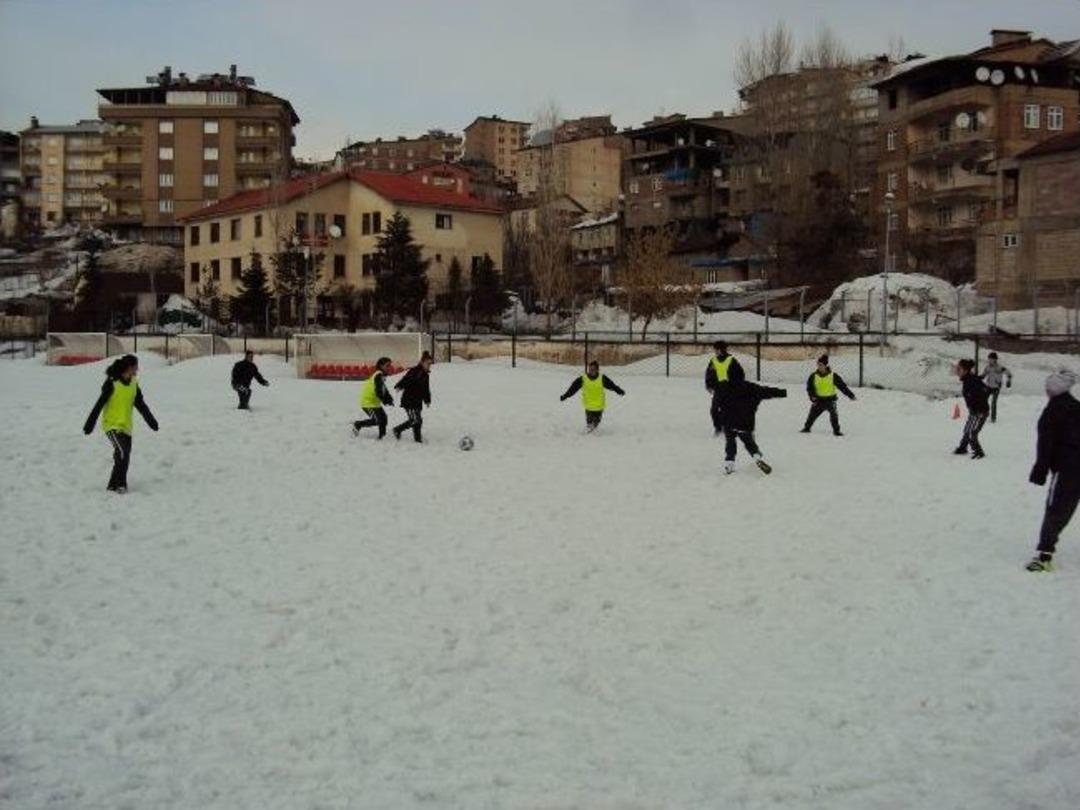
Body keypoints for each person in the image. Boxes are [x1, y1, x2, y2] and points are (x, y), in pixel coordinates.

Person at [1026, 370, 1080, 572]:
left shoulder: (1051, 412)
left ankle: (1044, 556)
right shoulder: (1077, 407)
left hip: (1068, 470)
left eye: (1047, 387)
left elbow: (1045, 445)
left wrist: (1040, 471)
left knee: (1056, 510)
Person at [82, 354, 159, 493]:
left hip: (126, 426)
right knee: (123, 452)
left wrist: (151, 421)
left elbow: (140, 404)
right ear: (129, 367)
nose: (137, 369)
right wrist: (90, 424)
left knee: (123, 455)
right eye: (136, 367)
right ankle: (121, 484)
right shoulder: (112, 383)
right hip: (111, 425)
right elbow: (99, 404)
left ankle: (112, 485)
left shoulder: (134, 383)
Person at [718, 363, 787, 474]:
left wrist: (718, 420)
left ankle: (729, 464)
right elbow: (767, 391)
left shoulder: (723, 387)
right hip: (745, 424)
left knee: (730, 442)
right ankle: (757, 458)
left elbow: (715, 405)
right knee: (749, 442)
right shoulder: (751, 387)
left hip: (728, 423)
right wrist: (783, 393)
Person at [560, 360, 625, 432]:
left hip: (599, 407)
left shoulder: (602, 378)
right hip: (589, 407)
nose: (591, 371)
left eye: (593, 370)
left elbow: (612, 386)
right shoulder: (583, 379)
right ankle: (590, 436)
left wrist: (619, 391)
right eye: (590, 369)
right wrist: (565, 396)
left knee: (595, 424)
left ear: (597, 370)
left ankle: (593, 435)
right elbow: (573, 388)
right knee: (590, 425)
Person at [801, 355, 856, 436]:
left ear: (826, 365)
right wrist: (812, 396)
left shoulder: (833, 376)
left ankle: (836, 431)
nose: (819, 366)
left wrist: (851, 395)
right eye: (818, 364)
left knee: (834, 415)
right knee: (812, 415)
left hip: (830, 400)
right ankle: (807, 428)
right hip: (818, 400)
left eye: (821, 365)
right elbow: (810, 388)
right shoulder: (813, 376)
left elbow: (842, 386)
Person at [705, 340, 744, 437]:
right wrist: (708, 385)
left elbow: (740, 374)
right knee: (714, 409)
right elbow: (709, 374)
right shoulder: (713, 360)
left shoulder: (731, 360)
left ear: (722, 349)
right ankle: (718, 427)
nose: (715, 351)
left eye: (717, 349)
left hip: (729, 389)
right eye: (715, 349)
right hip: (718, 389)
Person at [393, 351, 433, 442]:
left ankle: (417, 438)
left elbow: (426, 389)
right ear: (422, 362)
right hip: (409, 400)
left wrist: (427, 400)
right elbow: (406, 379)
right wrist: (399, 385)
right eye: (427, 363)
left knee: (418, 420)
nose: (429, 365)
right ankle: (397, 430)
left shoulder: (426, 375)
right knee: (414, 420)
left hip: (417, 401)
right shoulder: (414, 371)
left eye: (430, 364)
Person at [954, 358, 990, 459]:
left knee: (971, 432)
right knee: (967, 429)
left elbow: (985, 390)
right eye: (957, 368)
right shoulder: (969, 379)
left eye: (959, 368)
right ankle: (963, 447)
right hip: (974, 411)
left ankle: (979, 452)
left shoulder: (972, 380)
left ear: (965, 370)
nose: (957, 370)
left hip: (979, 412)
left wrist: (978, 406)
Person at [352, 357, 394, 439]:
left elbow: (384, 389)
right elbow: (379, 391)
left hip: (374, 402)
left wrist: (389, 399)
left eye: (390, 365)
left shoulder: (381, 376)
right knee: (377, 420)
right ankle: (358, 424)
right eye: (387, 365)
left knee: (384, 419)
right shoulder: (378, 375)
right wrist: (385, 400)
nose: (389, 368)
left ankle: (382, 436)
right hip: (367, 402)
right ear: (381, 366)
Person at [980, 352, 1012, 423]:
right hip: (988, 386)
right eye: (989, 359)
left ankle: (993, 418)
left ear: (995, 359)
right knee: (983, 400)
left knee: (994, 402)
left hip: (996, 388)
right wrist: (977, 378)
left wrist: (1008, 381)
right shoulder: (987, 367)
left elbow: (1009, 373)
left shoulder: (1000, 367)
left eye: (991, 359)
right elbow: (983, 375)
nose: (989, 360)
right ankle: (984, 414)